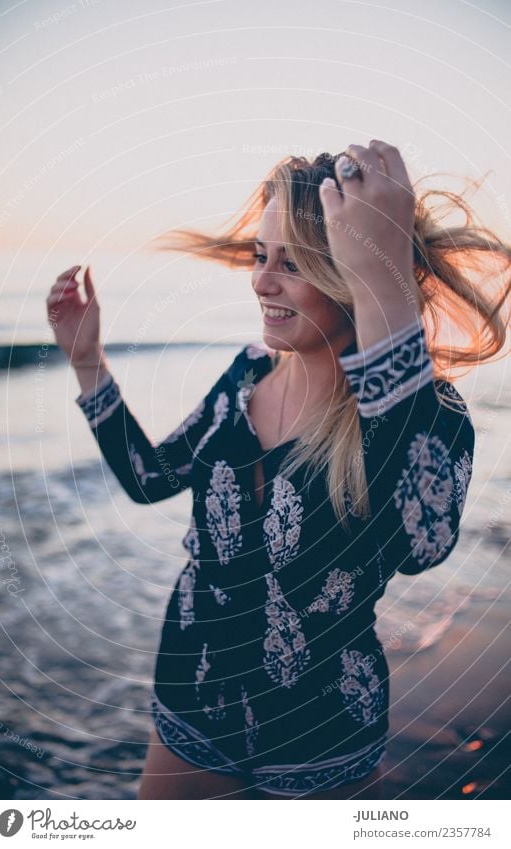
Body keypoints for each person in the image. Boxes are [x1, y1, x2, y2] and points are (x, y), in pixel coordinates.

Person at [47, 140, 510, 799]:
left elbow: (422, 546)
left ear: (347, 274)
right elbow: (150, 479)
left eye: (290, 264)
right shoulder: (245, 378)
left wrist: (385, 283)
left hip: (317, 733)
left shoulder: (427, 411)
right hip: (192, 694)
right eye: (259, 256)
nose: (261, 282)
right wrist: (87, 363)